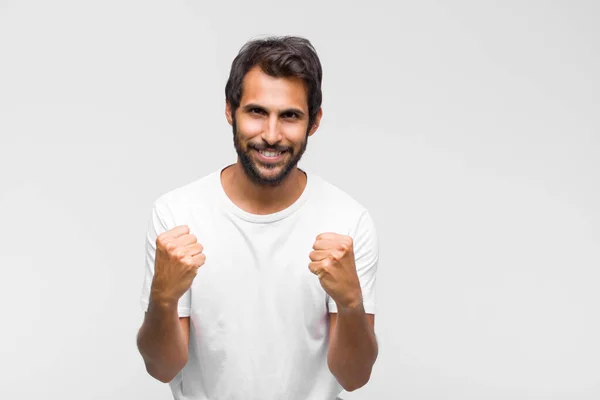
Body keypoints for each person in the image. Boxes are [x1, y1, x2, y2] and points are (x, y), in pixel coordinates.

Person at [136, 35, 380, 400]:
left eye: (290, 116)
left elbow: (354, 376)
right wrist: (163, 298)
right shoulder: (177, 215)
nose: (271, 135)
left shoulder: (347, 221)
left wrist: (350, 304)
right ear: (229, 111)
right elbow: (162, 368)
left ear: (314, 122)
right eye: (256, 112)